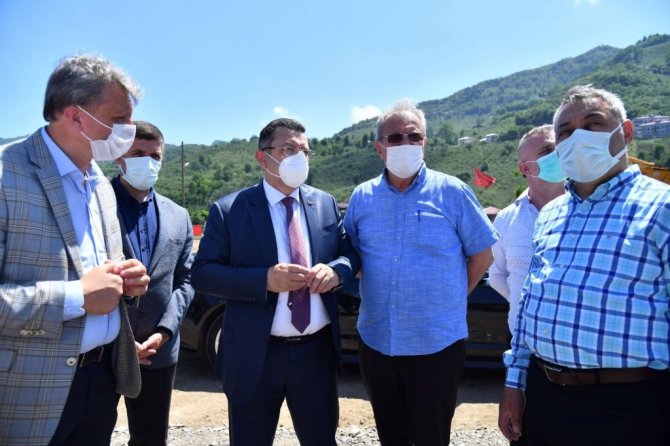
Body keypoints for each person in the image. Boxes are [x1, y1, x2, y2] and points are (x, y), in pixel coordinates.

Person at [498, 85, 670, 446]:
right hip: (544, 398)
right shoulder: (551, 215)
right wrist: (515, 383)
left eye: (593, 124)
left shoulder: (662, 208)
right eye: (565, 132)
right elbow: (529, 306)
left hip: (630, 406)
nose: (578, 137)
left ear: (625, 132)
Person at [0, 55, 150, 446]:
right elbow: (84, 290)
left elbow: (100, 272)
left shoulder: (100, 184)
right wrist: (76, 297)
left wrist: (125, 282)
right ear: (76, 116)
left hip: (100, 381)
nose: (129, 129)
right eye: (118, 118)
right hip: (27, 389)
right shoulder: (6, 175)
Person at [191, 118, 360, 446]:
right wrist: (264, 279)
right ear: (262, 157)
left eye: (305, 152)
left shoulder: (324, 204)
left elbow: (349, 253)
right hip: (255, 354)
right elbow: (203, 273)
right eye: (289, 150)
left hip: (315, 353)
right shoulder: (230, 210)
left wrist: (337, 271)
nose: (300, 158)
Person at [343, 99, 498, 446]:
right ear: (379, 148)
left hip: (436, 345)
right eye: (395, 137)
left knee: (432, 437)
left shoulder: (452, 192)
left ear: (425, 143)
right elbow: (351, 253)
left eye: (414, 136)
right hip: (377, 343)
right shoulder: (362, 197)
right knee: (391, 436)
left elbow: (483, 253)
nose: (406, 143)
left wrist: (454, 294)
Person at [111, 120, 194, 446]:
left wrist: (164, 332)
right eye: (137, 154)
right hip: (102, 349)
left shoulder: (178, 215)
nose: (147, 162)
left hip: (158, 350)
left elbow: (185, 280)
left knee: (150, 439)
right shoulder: (93, 205)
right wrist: (120, 338)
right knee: (89, 433)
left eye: (155, 156)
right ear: (118, 156)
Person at [489, 124, 565, 334]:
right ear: (524, 169)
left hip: (575, 342)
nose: (558, 154)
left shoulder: (588, 209)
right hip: (524, 341)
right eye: (548, 150)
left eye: (560, 147)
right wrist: (525, 302)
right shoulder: (506, 220)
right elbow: (497, 276)